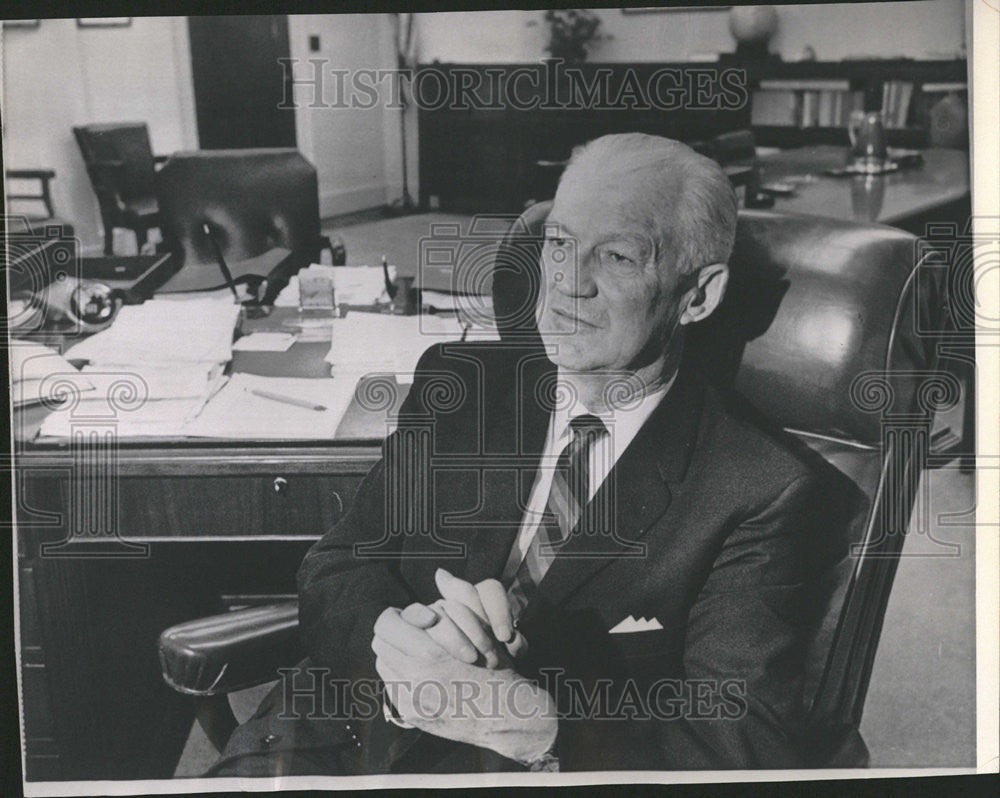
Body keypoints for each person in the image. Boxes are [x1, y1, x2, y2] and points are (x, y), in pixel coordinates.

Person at [210, 133, 848, 776]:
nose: (569, 284)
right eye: (561, 243)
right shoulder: (458, 383)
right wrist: (398, 646)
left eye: (619, 257)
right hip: (339, 729)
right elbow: (340, 563)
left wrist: (543, 729)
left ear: (699, 294)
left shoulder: (762, 488)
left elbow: (740, 745)